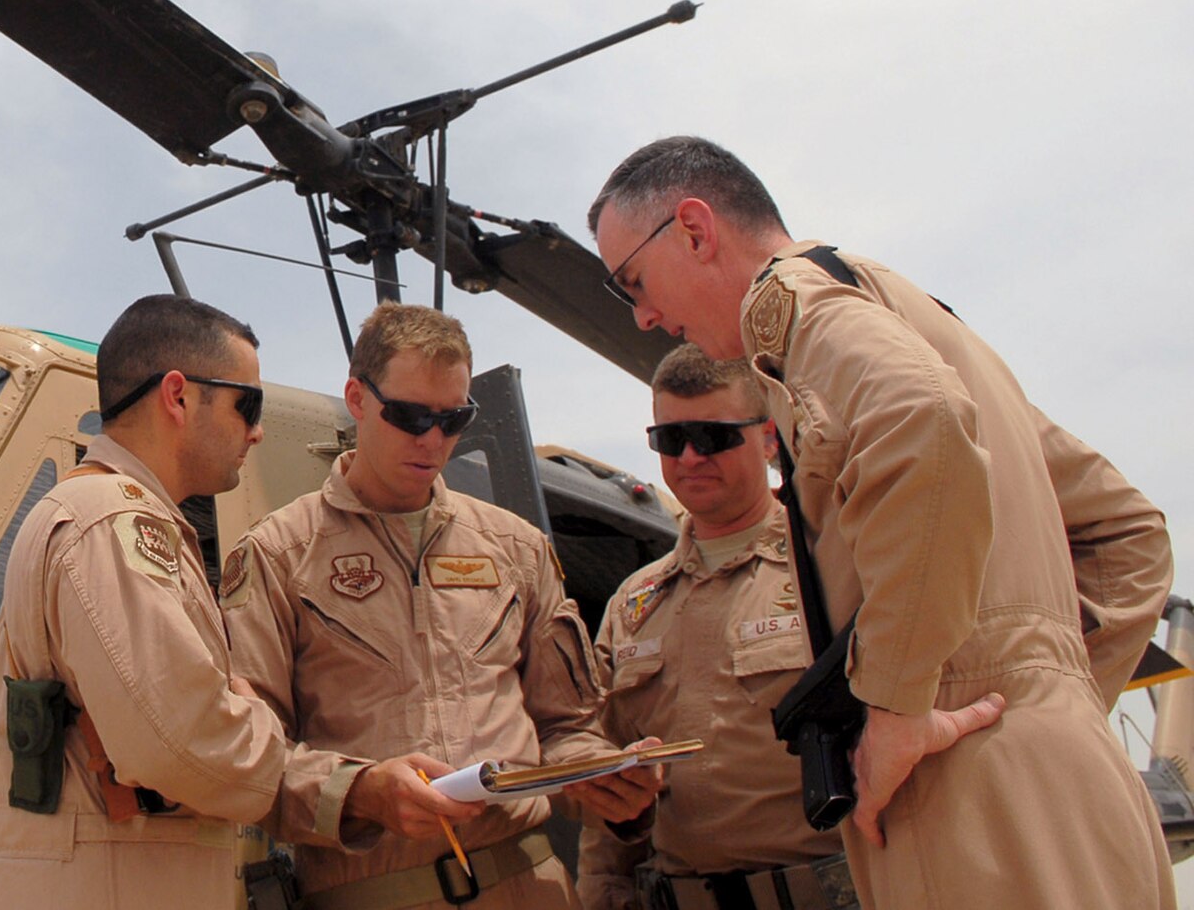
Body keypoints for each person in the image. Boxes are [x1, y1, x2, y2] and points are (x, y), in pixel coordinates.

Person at [587, 135, 1173, 909]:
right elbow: (1126, 532)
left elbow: (923, 423)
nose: (645, 315)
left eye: (635, 281)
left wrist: (898, 707)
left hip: (969, 801)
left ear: (694, 230)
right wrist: (1047, 694)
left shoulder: (791, 306)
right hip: (1066, 779)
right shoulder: (909, 313)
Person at [0, 294, 474, 909]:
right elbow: (187, 742)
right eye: (249, 405)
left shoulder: (112, 517)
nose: (258, 430)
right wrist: (278, 733)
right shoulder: (109, 520)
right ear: (179, 397)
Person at [223, 302, 659, 910]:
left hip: (530, 888)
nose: (433, 440)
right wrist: (361, 792)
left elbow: (566, 727)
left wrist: (602, 777)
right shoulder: (279, 554)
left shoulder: (517, 549)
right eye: (410, 416)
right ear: (356, 397)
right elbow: (250, 758)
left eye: (454, 420)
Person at [578, 344, 850, 910]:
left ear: (770, 437)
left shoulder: (834, 565)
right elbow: (607, 801)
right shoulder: (635, 603)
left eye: (715, 436)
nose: (692, 457)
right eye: (671, 440)